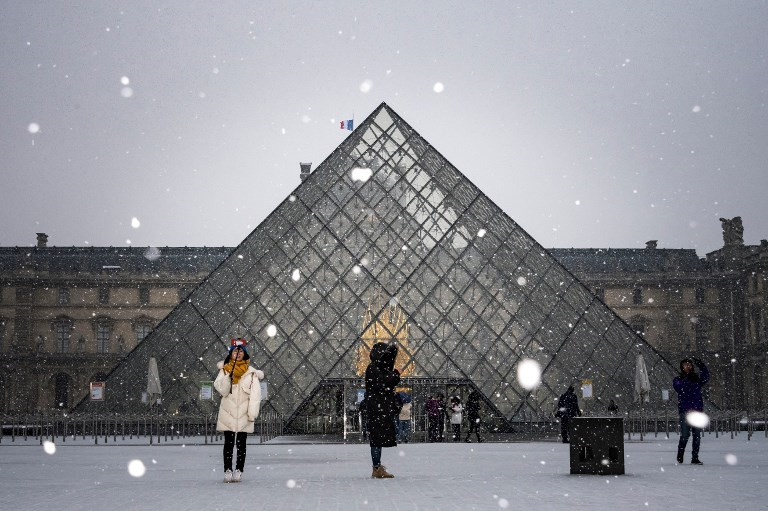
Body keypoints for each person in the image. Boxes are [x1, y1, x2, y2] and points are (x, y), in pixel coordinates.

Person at [214, 338, 264, 483]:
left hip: (244, 413)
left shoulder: (251, 373)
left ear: (245, 354)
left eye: (241, 351)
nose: (238, 353)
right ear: (231, 354)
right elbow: (221, 390)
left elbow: (256, 396)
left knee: (242, 444)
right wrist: (227, 378)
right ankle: (227, 470)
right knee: (228, 443)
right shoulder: (224, 370)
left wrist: (252, 414)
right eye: (235, 351)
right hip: (228, 411)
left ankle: (239, 470)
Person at [365, 342, 400, 478]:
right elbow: (384, 383)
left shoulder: (374, 368)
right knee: (376, 439)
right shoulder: (373, 368)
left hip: (377, 408)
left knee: (377, 439)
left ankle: (377, 467)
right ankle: (377, 468)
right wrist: (396, 374)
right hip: (377, 409)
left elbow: (385, 382)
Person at [673, 357, 709, 465]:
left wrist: (702, 367)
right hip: (685, 411)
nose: (688, 366)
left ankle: (695, 457)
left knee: (697, 436)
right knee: (685, 435)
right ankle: (681, 452)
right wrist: (688, 378)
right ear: (682, 367)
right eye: (685, 365)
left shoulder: (697, 379)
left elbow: (706, 377)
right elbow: (681, 388)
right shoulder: (678, 379)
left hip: (697, 411)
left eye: (690, 364)